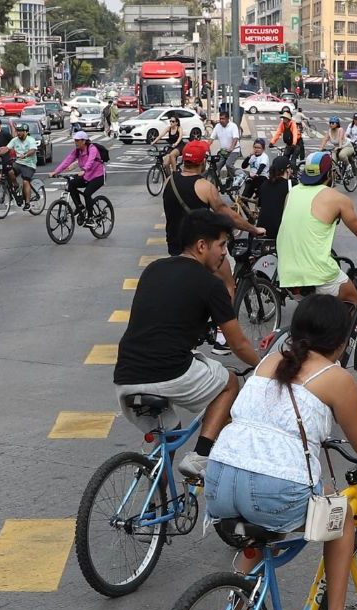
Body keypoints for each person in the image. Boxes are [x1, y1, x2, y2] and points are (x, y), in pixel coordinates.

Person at [206, 294, 357, 610]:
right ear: (341, 339)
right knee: (342, 517)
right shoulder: (336, 379)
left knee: (259, 534)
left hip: (220, 479)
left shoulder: (270, 361)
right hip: (273, 490)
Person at [113, 209, 262, 481]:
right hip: (167, 373)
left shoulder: (153, 269)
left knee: (168, 434)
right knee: (228, 382)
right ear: (202, 245)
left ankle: (158, 508)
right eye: (222, 246)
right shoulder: (211, 284)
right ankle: (201, 456)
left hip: (125, 377)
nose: (224, 254)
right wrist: (264, 366)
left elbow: (163, 317)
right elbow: (238, 343)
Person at [276, 152, 357, 307]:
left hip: (287, 273)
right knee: (353, 300)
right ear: (329, 173)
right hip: (317, 272)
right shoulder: (336, 198)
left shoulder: (292, 193)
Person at [162, 139, 266, 317]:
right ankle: (221, 336)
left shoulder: (169, 181)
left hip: (174, 247)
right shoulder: (205, 187)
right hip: (200, 250)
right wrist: (253, 229)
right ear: (202, 162)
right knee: (228, 284)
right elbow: (227, 214)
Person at [50, 131, 106, 226]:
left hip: (98, 176)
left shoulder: (92, 149)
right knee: (71, 184)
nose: (75, 142)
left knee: (87, 193)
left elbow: (90, 161)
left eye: (77, 140)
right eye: (75, 140)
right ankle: (80, 206)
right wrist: (56, 172)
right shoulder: (77, 151)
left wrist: (84, 170)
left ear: (84, 141)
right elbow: (67, 161)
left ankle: (91, 218)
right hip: (86, 176)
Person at [6, 122, 40, 211]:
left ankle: (27, 203)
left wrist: (25, 155)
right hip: (19, 163)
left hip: (29, 164)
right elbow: (7, 148)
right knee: (9, 171)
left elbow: (32, 150)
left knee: (25, 182)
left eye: (21, 131)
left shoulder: (30, 140)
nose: (19, 133)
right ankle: (16, 185)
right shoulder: (15, 140)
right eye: (18, 131)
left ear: (26, 132)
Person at [255, 161, 290, 239]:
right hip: (281, 229)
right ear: (287, 170)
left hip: (262, 227)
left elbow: (260, 204)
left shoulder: (265, 184)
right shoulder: (290, 184)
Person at [208, 110, 241, 190]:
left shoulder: (233, 126)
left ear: (227, 119)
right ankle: (217, 183)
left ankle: (238, 176)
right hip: (223, 151)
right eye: (220, 119)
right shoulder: (217, 126)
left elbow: (235, 138)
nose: (221, 121)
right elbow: (211, 138)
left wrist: (231, 148)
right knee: (215, 167)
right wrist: (205, 147)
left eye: (223, 119)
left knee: (228, 164)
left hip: (234, 151)